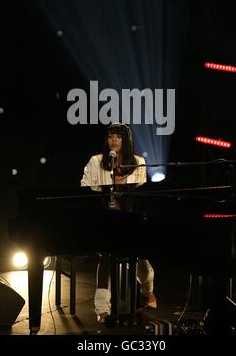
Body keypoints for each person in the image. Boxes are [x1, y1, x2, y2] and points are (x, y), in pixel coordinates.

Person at [81, 122, 157, 322]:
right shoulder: (96, 161)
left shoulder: (138, 162)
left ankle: (147, 291)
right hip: (105, 221)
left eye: (118, 136)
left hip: (131, 220)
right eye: (110, 136)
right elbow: (85, 189)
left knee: (142, 256)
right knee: (106, 256)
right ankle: (102, 308)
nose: (113, 140)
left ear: (126, 140)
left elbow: (141, 196)